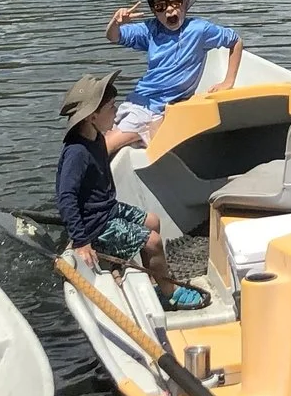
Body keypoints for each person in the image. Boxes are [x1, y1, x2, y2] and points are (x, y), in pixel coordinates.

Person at [55, 72, 209, 309]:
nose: (116, 111)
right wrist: (81, 240)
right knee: (153, 241)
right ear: (93, 116)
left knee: (153, 220)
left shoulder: (96, 138)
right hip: (95, 225)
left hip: (108, 209)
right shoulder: (77, 153)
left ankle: (153, 281)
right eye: (111, 107)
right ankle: (170, 292)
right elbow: (66, 197)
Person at [104, 0, 242, 147]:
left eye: (175, 2)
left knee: (149, 144)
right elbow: (113, 37)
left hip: (170, 106)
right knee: (107, 146)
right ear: (154, 11)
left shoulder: (198, 30)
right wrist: (115, 23)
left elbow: (235, 40)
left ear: (185, 2)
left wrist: (228, 82)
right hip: (144, 105)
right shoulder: (150, 29)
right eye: (160, 6)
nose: (169, 10)